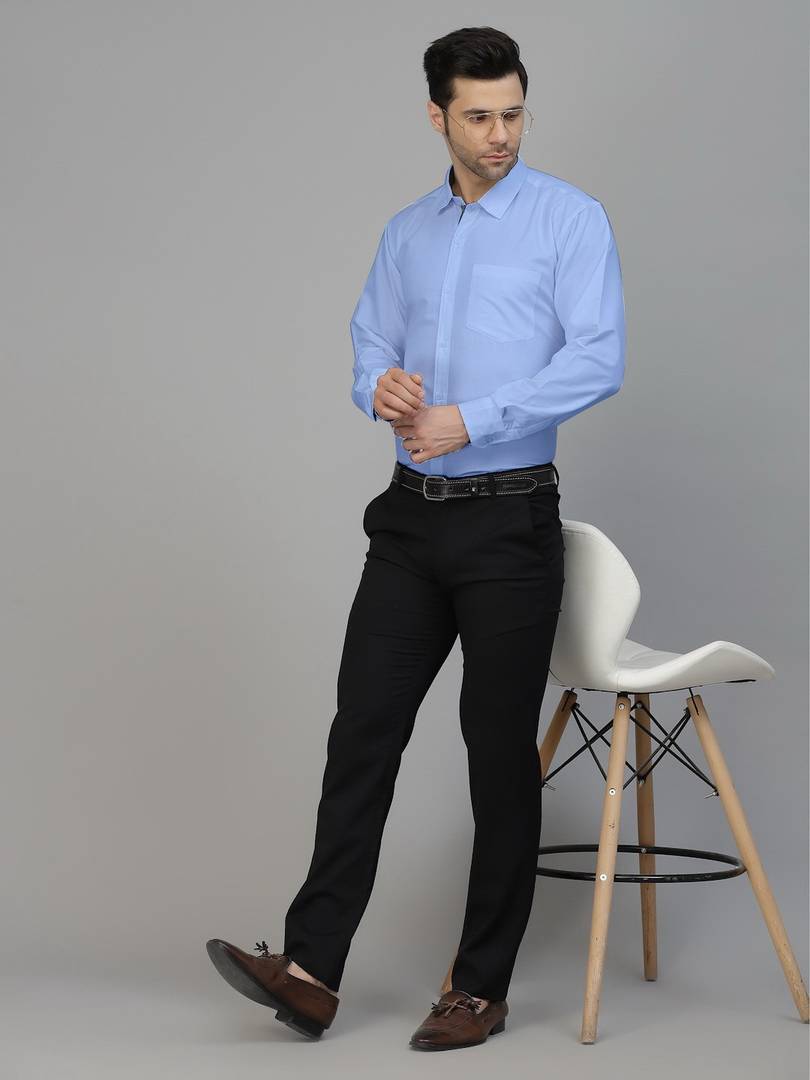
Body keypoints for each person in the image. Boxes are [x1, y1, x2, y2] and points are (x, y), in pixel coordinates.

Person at [206, 24, 626, 1051]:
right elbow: (370, 343)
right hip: (408, 521)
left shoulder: (570, 220)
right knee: (363, 734)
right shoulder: (408, 234)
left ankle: (478, 988)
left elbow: (598, 358)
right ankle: (311, 972)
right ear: (437, 116)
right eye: (478, 116)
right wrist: (380, 388)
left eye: (513, 113)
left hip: (510, 521)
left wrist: (470, 419)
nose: (500, 134)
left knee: (495, 756)